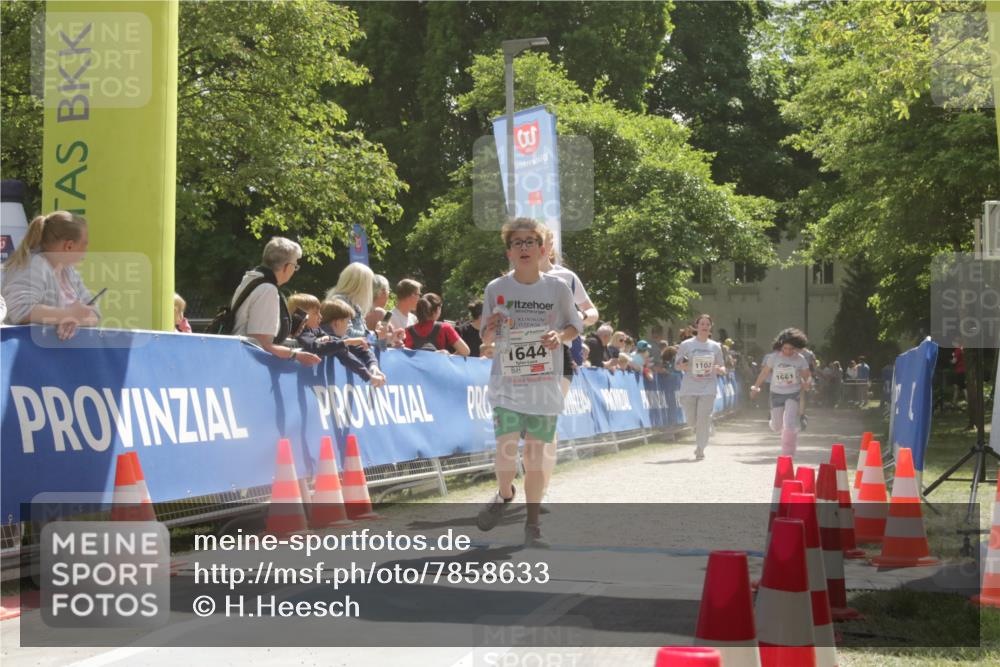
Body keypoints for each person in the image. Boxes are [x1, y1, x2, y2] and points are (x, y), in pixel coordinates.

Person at [476, 218, 583, 548]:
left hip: (544, 387)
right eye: (517, 243)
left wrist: (559, 335)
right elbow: (485, 336)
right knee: (506, 452)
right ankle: (505, 492)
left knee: (535, 457)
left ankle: (533, 525)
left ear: (541, 249)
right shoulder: (496, 289)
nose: (524, 247)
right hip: (507, 386)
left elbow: (575, 326)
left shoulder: (557, 288)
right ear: (509, 252)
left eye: (530, 242)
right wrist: (492, 328)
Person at [1, 211, 100, 340]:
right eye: (85, 244)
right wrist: (67, 315)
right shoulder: (33, 265)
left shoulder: (68, 272)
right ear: (69, 246)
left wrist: (73, 320)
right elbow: (20, 310)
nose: (86, 252)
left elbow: (95, 314)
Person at [229, 237, 321, 366]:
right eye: (295, 266)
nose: (294, 270)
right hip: (248, 364)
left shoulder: (252, 278)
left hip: (238, 356)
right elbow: (261, 344)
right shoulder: (268, 290)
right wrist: (296, 355)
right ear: (287, 266)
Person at [751, 328, 812, 457]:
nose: (788, 351)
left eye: (791, 349)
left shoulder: (800, 359)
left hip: (792, 393)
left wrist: (807, 383)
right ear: (780, 346)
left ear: (796, 347)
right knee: (777, 427)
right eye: (785, 348)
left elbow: (807, 375)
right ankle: (772, 420)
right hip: (776, 393)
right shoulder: (773, 358)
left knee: (789, 422)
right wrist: (755, 387)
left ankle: (788, 453)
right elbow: (764, 373)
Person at [298, 299, 386, 386]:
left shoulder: (339, 337)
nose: (349, 326)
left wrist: (373, 366)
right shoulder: (317, 335)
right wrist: (369, 376)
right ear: (337, 323)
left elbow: (362, 349)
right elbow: (344, 354)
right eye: (348, 322)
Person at [675, 314, 727, 460]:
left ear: (710, 327)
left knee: (703, 418)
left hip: (708, 387)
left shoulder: (715, 346)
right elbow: (677, 365)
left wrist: (719, 369)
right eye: (702, 324)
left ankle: (700, 448)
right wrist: (682, 365)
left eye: (707, 324)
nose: (704, 326)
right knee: (692, 421)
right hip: (689, 386)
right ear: (697, 326)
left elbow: (723, 368)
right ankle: (703, 429)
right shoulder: (687, 345)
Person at [404, 293, 470, 355]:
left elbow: (405, 354)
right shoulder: (445, 327)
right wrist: (448, 356)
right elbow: (465, 351)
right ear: (438, 309)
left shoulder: (408, 331)